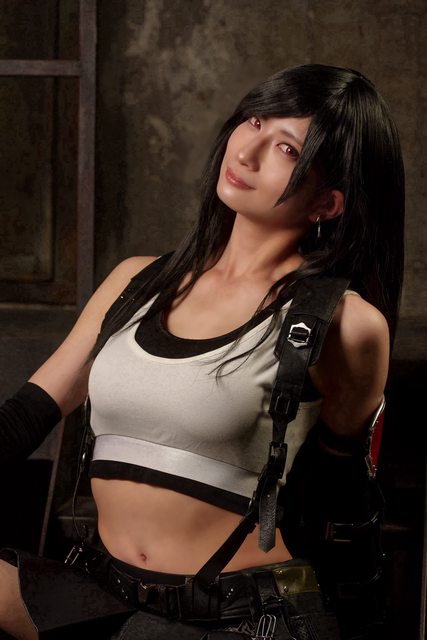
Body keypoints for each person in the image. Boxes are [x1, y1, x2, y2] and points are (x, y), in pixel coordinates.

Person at [0, 63, 404, 640]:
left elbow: (343, 503)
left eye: (287, 148)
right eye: (255, 121)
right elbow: (23, 418)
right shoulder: (137, 282)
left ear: (328, 203)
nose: (247, 151)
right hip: (102, 593)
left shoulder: (342, 323)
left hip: (241, 620)